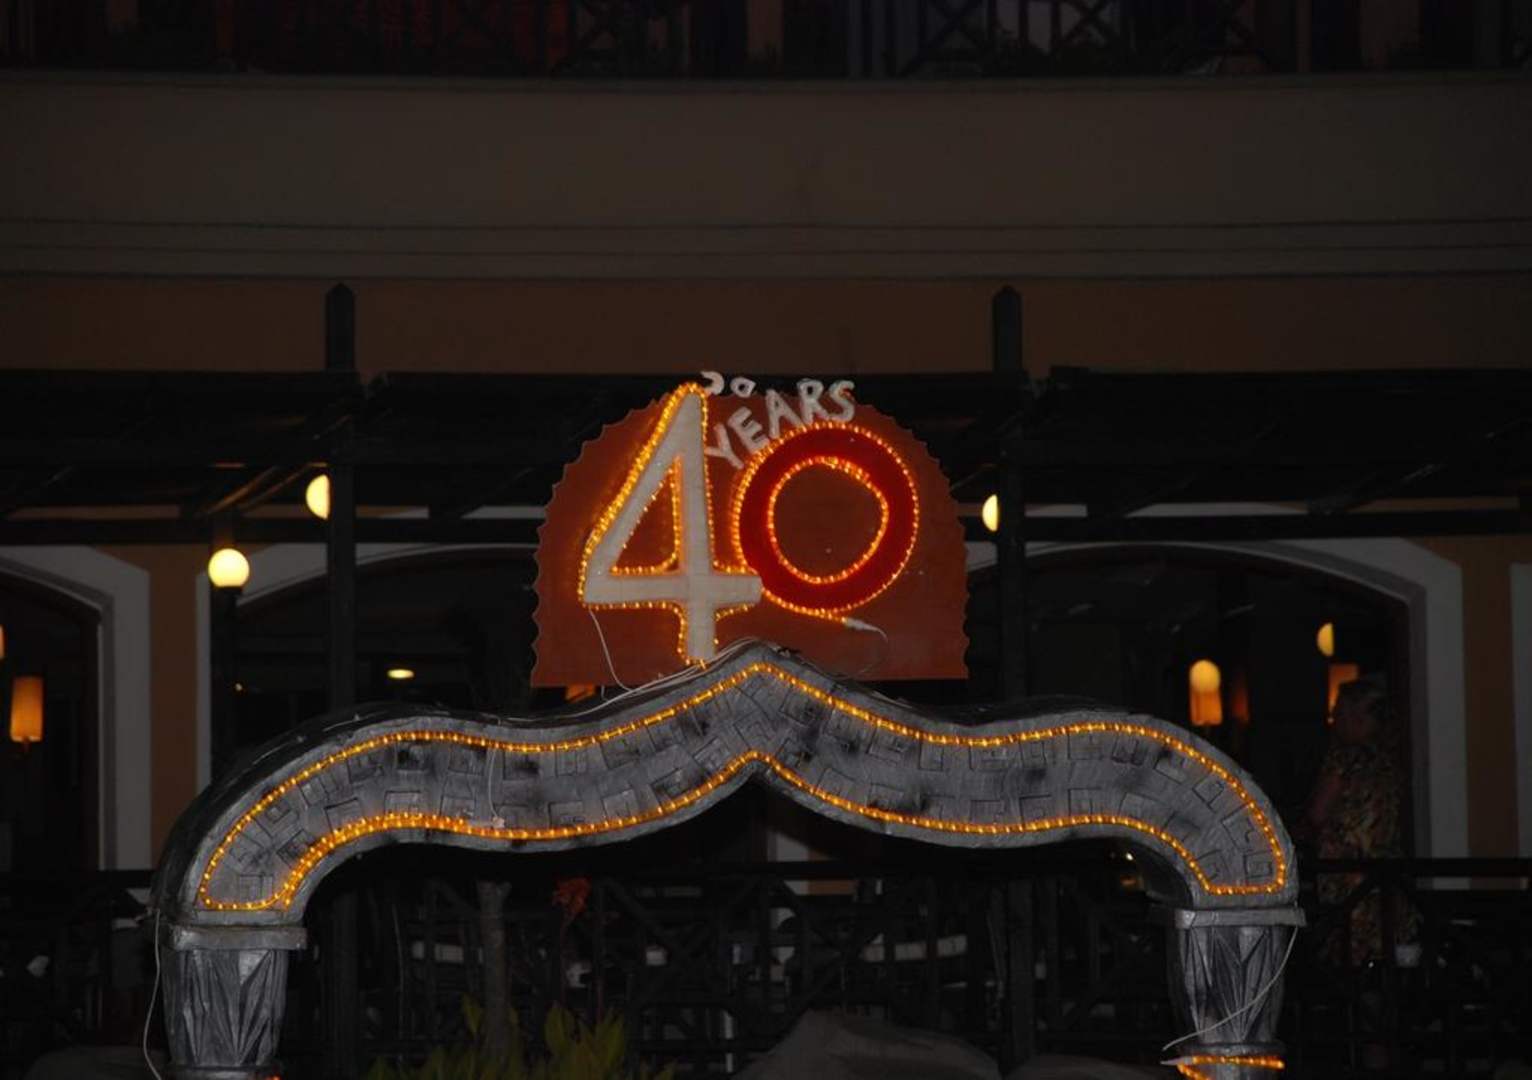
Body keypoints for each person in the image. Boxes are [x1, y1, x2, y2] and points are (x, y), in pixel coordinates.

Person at [1304, 676, 1418, 967]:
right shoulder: (1392, 760)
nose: (1334, 721)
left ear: (1356, 716)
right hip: (1386, 878)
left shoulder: (1346, 758)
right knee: (1383, 955)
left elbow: (1318, 812)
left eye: (1339, 713)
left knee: (1350, 957)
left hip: (1350, 880)